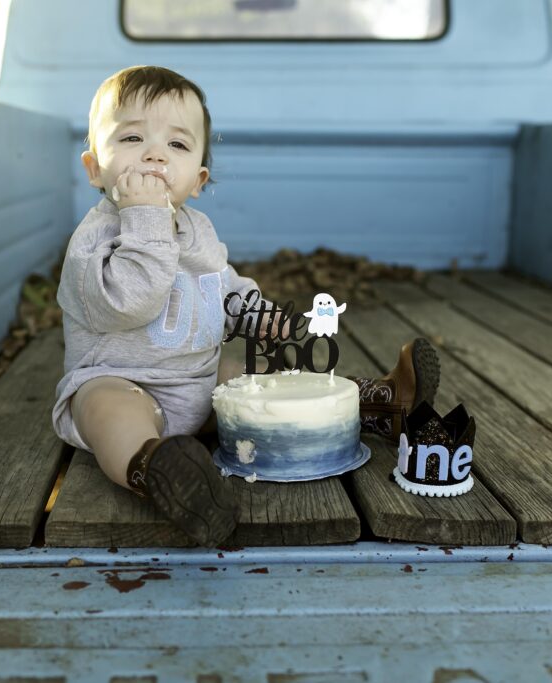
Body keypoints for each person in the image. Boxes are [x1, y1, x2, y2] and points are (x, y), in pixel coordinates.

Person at [52, 65, 438, 548]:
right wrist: (145, 218)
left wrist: (254, 314)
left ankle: (378, 406)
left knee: (264, 381)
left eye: (177, 145)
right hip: (122, 382)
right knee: (108, 410)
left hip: (198, 383)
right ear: (94, 168)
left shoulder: (199, 231)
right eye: (131, 138)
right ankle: (158, 473)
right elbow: (130, 304)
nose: (154, 155)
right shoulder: (92, 241)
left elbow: (223, 288)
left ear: (198, 178)